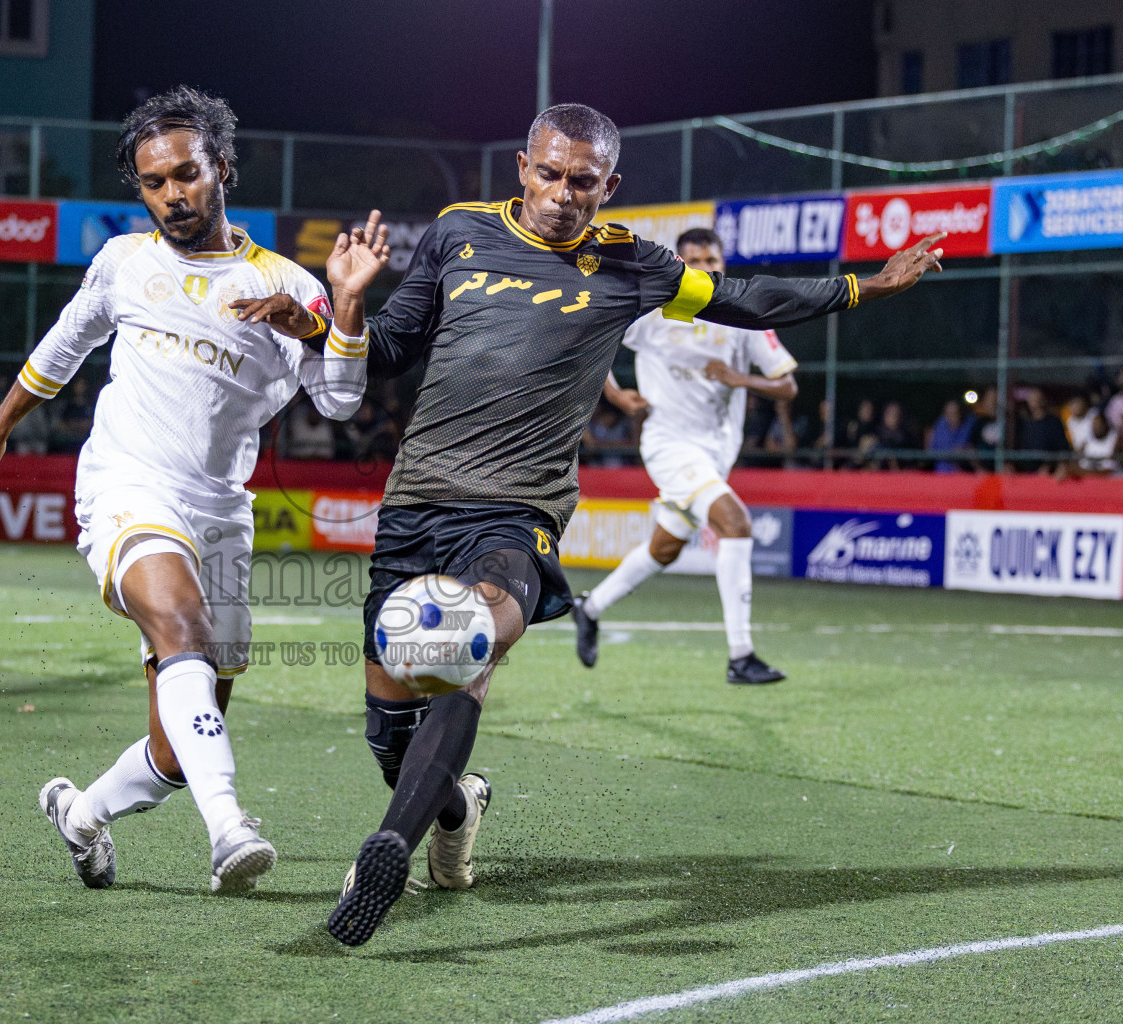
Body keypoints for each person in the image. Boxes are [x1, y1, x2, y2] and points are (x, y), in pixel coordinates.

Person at [327, 102, 944, 948]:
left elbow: (738, 297)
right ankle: (456, 805)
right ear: (522, 167)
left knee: (469, 644)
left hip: (518, 508)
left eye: (583, 181)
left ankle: (388, 850)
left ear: (609, 187)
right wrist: (348, 304)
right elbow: (392, 350)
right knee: (390, 732)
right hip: (416, 502)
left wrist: (864, 286)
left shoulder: (630, 264)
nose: (562, 194)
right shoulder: (457, 232)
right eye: (549, 173)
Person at [0, 87, 388, 895]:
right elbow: (65, 344)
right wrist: (1, 422)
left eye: (185, 175)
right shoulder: (124, 261)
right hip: (127, 486)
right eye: (154, 182)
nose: (171, 195)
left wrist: (333, 316)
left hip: (221, 511)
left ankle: (81, 813)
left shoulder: (290, 283)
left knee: (175, 747)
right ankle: (231, 829)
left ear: (221, 169)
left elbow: (337, 399)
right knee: (181, 627)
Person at [574, 227, 800, 685]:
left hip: (716, 453)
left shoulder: (745, 318)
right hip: (668, 445)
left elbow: (787, 384)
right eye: (694, 260)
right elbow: (591, 343)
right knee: (735, 523)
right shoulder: (656, 311)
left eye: (712, 260)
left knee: (665, 547)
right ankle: (741, 656)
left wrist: (741, 379)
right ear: (679, 264)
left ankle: (590, 607)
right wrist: (618, 397)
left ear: (723, 265)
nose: (704, 268)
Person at [927, 398, 974, 473]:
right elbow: (932, 451)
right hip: (941, 473)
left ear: (960, 413)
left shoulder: (969, 424)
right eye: (949, 414)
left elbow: (970, 449)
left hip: (963, 472)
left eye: (955, 413)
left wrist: (964, 450)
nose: (952, 417)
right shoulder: (939, 425)